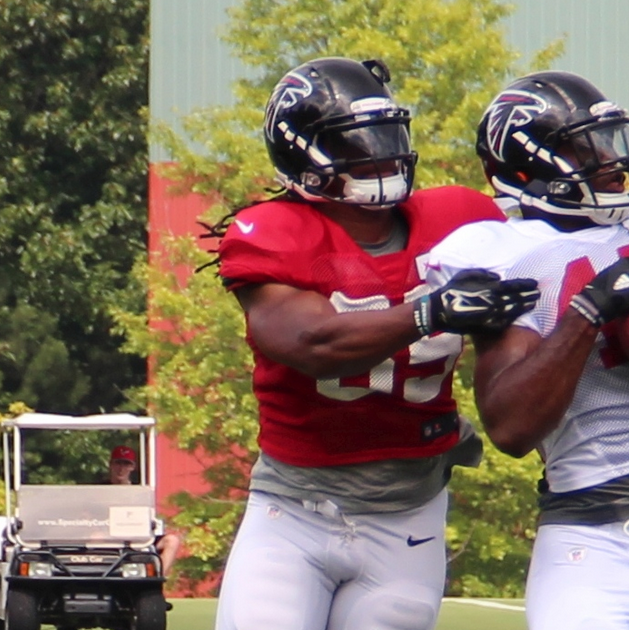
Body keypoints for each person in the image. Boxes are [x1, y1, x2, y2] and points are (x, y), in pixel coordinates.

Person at [424, 71, 629, 630]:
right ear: (524, 168)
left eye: (608, 141)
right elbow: (510, 429)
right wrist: (589, 312)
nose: (608, 160)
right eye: (581, 148)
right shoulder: (509, 257)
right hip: (588, 550)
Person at [209, 57, 539, 630]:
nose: (380, 154)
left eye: (388, 135)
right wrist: (429, 312)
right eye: (357, 143)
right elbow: (313, 343)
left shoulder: (462, 219)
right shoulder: (273, 232)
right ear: (300, 155)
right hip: (294, 510)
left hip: (409, 511)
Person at [108, 445, 182, 577]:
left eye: (126, 464)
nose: (121, 468)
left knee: (172, 541)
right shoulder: (100, 490)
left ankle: (156, 580)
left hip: (136, 536)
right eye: (118, 463)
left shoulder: (140, 492)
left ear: (132, 467)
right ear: (111, 465)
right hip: (108, 536)